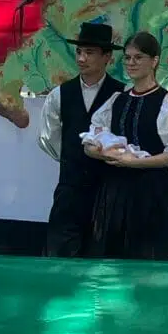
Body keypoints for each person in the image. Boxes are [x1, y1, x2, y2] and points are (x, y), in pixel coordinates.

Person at [84, 31, 168, 260]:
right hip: (116, 192)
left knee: (154, 260)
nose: (131, 63)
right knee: (115, 260)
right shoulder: (117, 100)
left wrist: (135, 162)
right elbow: (89, 143)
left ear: (154, 61)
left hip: (154, 192)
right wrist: (105, 153)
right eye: (127, 57)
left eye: (138, 57)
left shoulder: (167, 102)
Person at [38, 22, 127, 257]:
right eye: (79, 51)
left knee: (104, 255)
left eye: (89, 52)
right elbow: (48, 137)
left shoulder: (123, 94)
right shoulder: (59, 94)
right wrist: (73, 157)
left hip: (109, 190)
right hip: (70, 189)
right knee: (62, 253)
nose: (81, 58)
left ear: (107, 57)